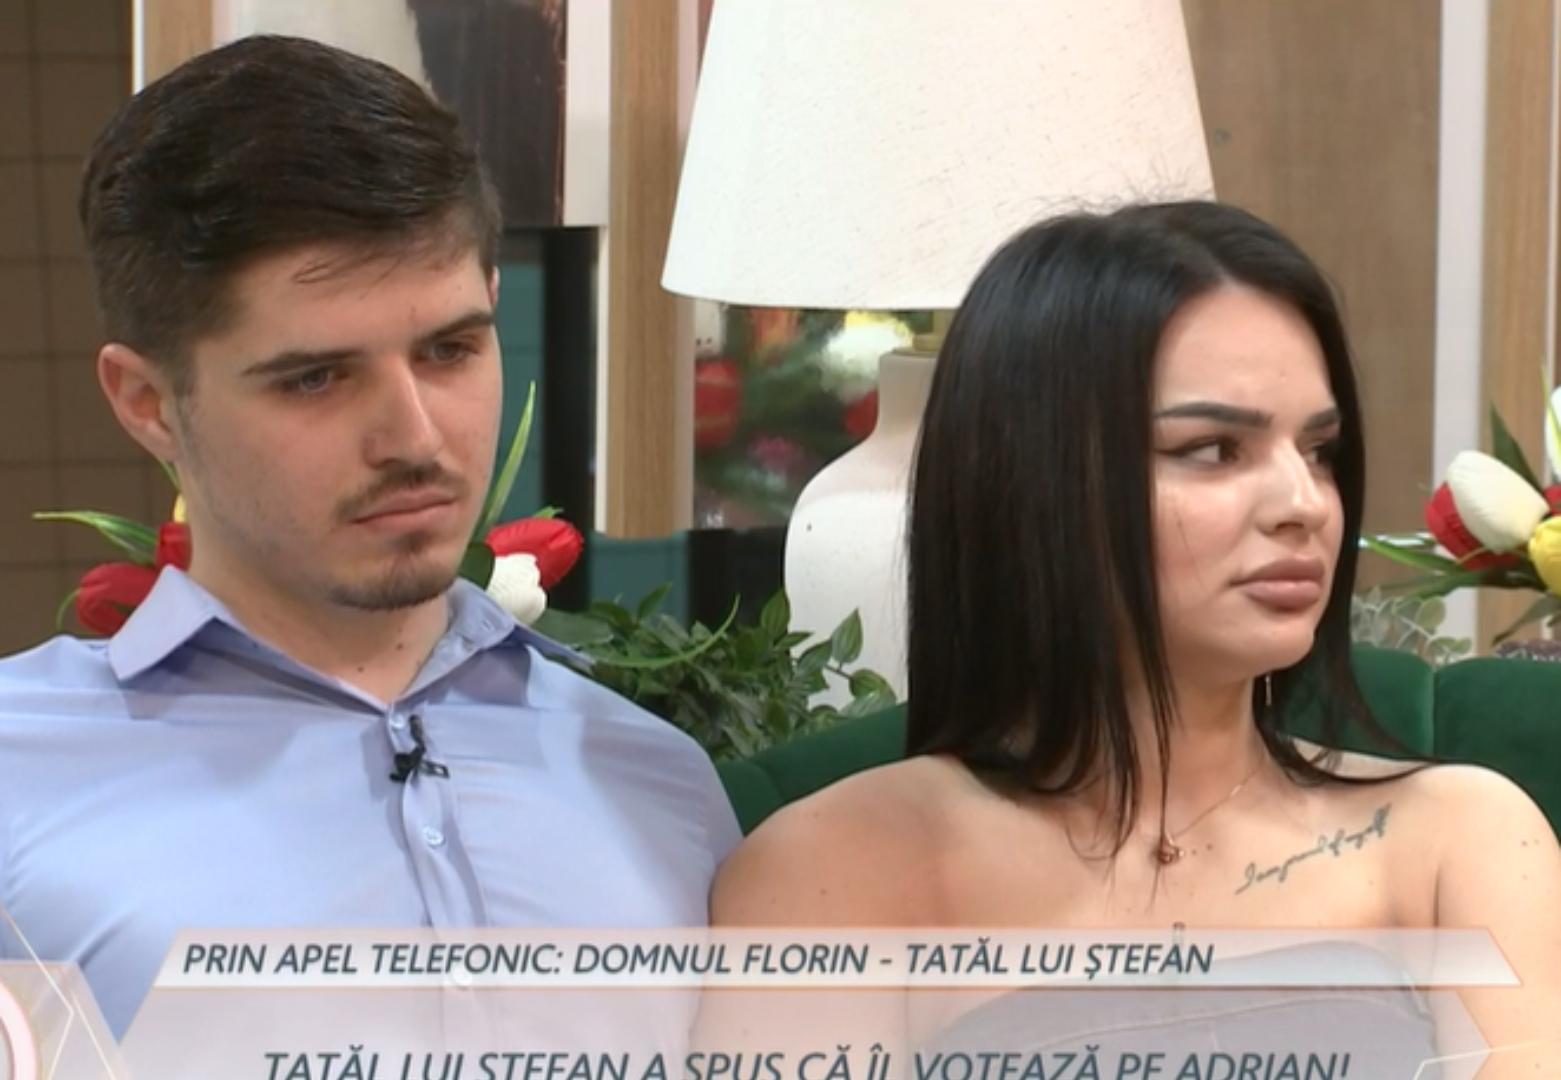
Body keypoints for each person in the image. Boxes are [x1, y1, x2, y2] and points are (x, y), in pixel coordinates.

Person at [0, 35, 739, 1038]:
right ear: (148, 403)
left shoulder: (655, 781)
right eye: (315, 377)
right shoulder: (20, 774)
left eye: (449, 350)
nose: (415, 439)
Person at [711, 203, 1561, 1071]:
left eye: (1318, 451)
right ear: (1036, 481)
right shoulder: (835, 870)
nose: (1302, 504)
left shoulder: (1458, 838)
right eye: (1212, 449)